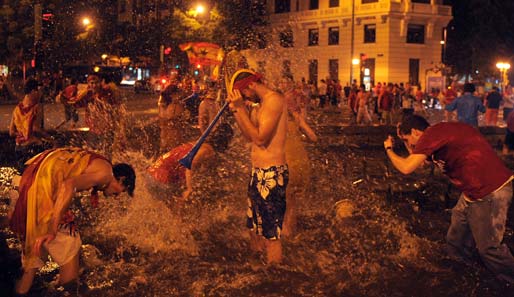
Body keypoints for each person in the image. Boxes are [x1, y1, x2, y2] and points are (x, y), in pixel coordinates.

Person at [383, 115, 514, 285]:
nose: (409, 144)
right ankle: (464, 275)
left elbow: (407, 168)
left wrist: (389, 150)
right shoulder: (436, 138)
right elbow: (421, 164)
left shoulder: (433, 133)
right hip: (472, 192)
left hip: (490, 191)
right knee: (456, 241)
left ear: (416, 132)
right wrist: (407, 142)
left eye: (408, 139)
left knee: (489, 248)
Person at [8, 147, 136, 295]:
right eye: (122, 190)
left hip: (27, 181)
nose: (118, 195)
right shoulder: (106, 174)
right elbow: (68, 185)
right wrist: (52, 228)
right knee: (70, 247)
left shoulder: (96, 162)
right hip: (42, 192)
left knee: (31, 261)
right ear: (121, 180)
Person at [227, 69, 288, 264]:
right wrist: (237, 111)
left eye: (243, 92)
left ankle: (275, 275)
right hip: (258, 172)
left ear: (251, 85)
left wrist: (240, 109)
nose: (244, 97)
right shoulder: (259, 106)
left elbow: (261, 139)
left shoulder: (274, 100)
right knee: (253, 227)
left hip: (272, 173)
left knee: (271, 234)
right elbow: (249, 136)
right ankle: (257, 269)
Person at [147, 122, 233, 200]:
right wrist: (189, 189)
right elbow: (189, 165)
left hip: (152, 174)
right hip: (160, 178)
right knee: (184, 204)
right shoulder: (208, 151)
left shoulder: (199, 144)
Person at [9, 78, 52, 171]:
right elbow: (35, 128)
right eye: (38, 91)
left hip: (19, 148)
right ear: (33, 91)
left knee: (23, 176)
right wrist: (50, 138)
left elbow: (11, 132)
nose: (40, 94)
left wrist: (22, 134)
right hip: (33, 147)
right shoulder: (36, 108)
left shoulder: (16, 109)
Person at [158, 82, 187, 153]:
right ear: (172, 95)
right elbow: (179, 119)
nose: (179, 96)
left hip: (164, 139)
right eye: (177, 94)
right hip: (174, 139)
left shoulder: (162, 105)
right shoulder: (176, 105)